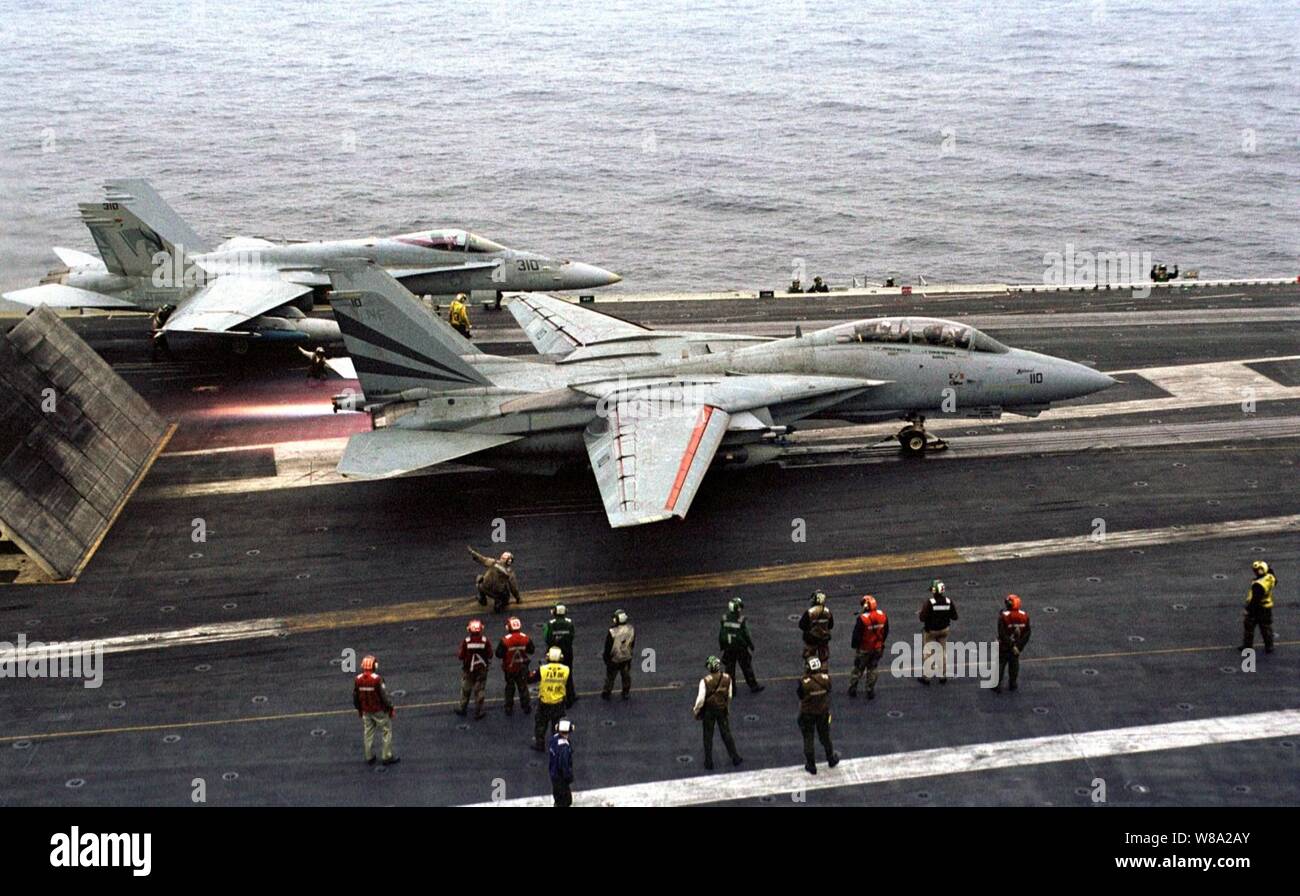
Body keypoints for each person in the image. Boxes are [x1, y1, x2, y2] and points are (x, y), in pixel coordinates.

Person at [693, 656, 742, 770]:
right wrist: (727, 707)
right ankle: (735, 757)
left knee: (708, 736)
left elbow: (701, 699)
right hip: (722, 709)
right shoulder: (727, 678)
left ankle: (709, 762)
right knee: (726, 734)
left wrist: (696, 710)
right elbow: (729, 696)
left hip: (709, 711)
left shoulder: (705, 681)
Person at [353, 655, 398, 765]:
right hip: (379, 711)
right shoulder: (377, 679)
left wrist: (359, 709)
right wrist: (391, 707)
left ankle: (369, 756)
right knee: (386, 731)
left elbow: (355, 696)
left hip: (366, 711)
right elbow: (384, 697)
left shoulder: (357, 679)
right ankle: (386, 756)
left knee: (368, 733)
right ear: (374, 666)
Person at [797, 656, 839, 774]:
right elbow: (829, 690)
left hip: (808, 714)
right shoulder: (826, 679)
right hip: (823, 712)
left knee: (808, 738)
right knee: (825, 736)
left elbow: (800, 695)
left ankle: (811, 765)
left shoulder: (804, 682)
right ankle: (830, 758)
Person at [719, 598, 764, 693]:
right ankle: (753, 686)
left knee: (730, 669)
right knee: (746, 667)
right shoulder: (740, 620)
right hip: (740, 648)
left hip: (729, 648)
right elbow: (745, 634)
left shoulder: (724, 618)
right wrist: (751, 645)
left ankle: (731, 689)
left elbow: (721, 634)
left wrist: (722, 646)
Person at [848, 595, 889, 699]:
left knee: (858, 669)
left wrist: (855, 646)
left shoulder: (862, 619)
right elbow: (886, 631)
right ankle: (870, 690)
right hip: (877, 648)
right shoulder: (883, 615)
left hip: (864, 648)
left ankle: (853, 688)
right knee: (872, 668)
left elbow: (856, 635)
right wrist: (881, 642)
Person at [530, 646, 571, 751]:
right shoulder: (566, 669)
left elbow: (530, 679)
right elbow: (568, 684)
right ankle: (558, 745)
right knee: (557, 724)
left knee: (540, 723)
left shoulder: (542, 669)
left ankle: (540, 744)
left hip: (545, 702)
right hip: (559, 702)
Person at [496, 616, 535, 715]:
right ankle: (526, 707)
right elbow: (531, 650)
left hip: (509, 668)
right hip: (522, 667)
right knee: (523, 687)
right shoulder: (525, 637)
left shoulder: (505, 640)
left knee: (509, 687)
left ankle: (508, 708)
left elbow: (498, 654)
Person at [994, 594, 1031, 692]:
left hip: (1005, 646)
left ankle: (996, 684)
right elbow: (1027, 633)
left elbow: (1002, 633)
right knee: (1014, 664)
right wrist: (1018, 647)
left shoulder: (1004, 616)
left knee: (1001, 664)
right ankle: (1013, 683)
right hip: (1017, 646)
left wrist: (1011, 645)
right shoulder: (1024, 616)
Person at [456, 619, 492, 720]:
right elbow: (490, 655)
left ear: (469, 629)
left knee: (465, 689)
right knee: (479, 690)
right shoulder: (485, 641)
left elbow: (461, 656)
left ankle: (462, 708)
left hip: (468, 670)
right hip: (481, 670)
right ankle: (478, 711)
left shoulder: (466, 641)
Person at [468, 546, 520, 613]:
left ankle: (482, 599)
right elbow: (513, 588)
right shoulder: (509, 573)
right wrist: (518, 598)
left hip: (483, 588)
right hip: (496, 594)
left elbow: (482, 559)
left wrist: (472, 552)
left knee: (479, 578)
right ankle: (498, 602)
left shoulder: (493, 562)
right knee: (506, 592)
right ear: (509, 561)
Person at [545, 604, 578, 704]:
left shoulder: (550, 623)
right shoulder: (570, 622)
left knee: (553, 675)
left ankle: (556, 695)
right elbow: (572, 636)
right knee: (568, 674)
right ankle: (570, 696)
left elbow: (547, 638)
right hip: (567, 651)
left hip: (554, 653)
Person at [1240, 560, 1276, 654]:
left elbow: (1255, 600)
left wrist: (1248, 610)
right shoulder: (1270, 578)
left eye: (1257, 570)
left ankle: (1247, 646)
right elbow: (1274, 578)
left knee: (1249, 627)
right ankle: (1269, 646)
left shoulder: (1258, 585)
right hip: (1267, 607)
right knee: (1266, 628)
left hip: (1258, 608)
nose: (1255, 572)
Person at [601, 609, 636, 700]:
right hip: (626, 657)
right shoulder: (631, 629)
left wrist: (606, 657)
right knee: (626, 676)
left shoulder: (612, 631)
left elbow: (608, 646)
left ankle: (607, 692)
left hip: (615, 658)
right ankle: (625, 692)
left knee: (610, 677)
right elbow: (632, 643)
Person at [799, 590, 833, 663]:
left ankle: (810, 672)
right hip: (824, 639)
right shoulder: (827, 611)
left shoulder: (810, 612)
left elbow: (802, 625)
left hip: (811, 639)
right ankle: (824, 673)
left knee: (809, 657)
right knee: (824, 659)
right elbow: (831, 625)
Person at [548, 719, 575, 807]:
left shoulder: (554, 739)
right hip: (561, 777)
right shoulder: (564, 747)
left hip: (553, 774)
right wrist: (569, 777)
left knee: (557, 795)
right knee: (566, 801)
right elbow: (564, 765)